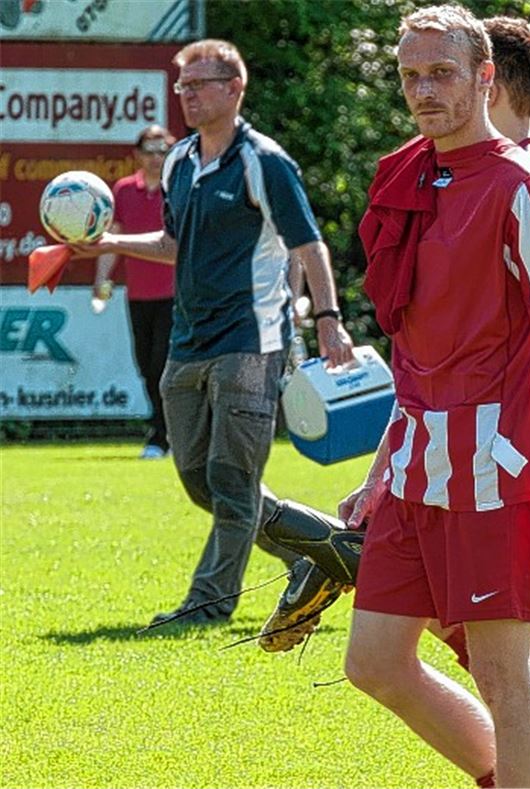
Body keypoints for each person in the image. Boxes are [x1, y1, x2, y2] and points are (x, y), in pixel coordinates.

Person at [255, 15, 530, 788]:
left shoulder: (525, 184)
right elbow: (418, 357)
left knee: (501, 671)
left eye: (441, 74)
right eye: (410, 75)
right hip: (416, 468)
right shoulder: (406, 173)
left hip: (497, 467)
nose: (423, 91)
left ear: (486, 77)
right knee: (375, 661)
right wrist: (383, 467)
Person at [72, 38, 355, 625]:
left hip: (252, 341)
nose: (187, 96)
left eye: (198, 85)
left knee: (232, 477)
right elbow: (174, 244)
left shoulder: (264, 161)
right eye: (182, 86)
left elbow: (308, 245)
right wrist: (109, 242)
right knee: (199, 479)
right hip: (188, 339)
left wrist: (327, 320)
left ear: (234, 89)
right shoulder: (178, 162)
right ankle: (322, 547)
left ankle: (207, 604)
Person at [93, 125, 179, 460]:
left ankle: (162, 436)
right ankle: (163, 431)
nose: (156, 158)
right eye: (150, 151)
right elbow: (112, 239)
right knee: (145, 365)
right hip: (138, 295)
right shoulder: (124, 190)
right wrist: (103, 278)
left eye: (162, 150)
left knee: (162, 365)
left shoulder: (177, 189)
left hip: (176, 294)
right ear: (138, 155)